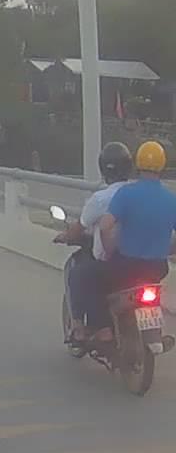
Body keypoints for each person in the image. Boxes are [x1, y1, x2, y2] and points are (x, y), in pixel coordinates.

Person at [88, 141, 176, 342]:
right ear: (163, 166)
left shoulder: (126, 194)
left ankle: (104, 328)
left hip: (126, 265)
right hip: (157, 268)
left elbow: (105, 226)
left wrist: (109, 250)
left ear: (137, 165)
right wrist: (169, 249)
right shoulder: (171, 199)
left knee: (95, 279)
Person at [54, 142, 134, 342]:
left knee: (79, 273)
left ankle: (82, 328)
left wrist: (65, 236)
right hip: (141, 260)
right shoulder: (137, 193)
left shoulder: (100, 198)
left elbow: (79, 228)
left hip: (114, 261)